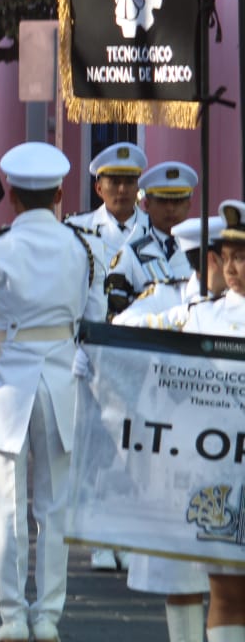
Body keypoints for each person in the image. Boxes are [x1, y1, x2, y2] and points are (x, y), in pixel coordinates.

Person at [0, 141, 105, 642]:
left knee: (3, 505)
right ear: (60, 192)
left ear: (9, 195)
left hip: (7, 382)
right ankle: (49, 616)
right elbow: (97, 323)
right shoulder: (85, 247)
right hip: (63, 380)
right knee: (54, 506)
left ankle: (13, 617)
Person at [112, 214, 219, 642]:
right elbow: (121, 329)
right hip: (180, 452)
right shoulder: (168, 298)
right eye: (222, 258)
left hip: (230, 450)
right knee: (180, 575)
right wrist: (178, 321)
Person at [68, 140, 148, 572]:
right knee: (96, 447)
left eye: (129, 181)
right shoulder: (79, 230)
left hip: (140, 358)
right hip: (92, 354)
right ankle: (100, 536)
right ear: (98, 186)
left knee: (137, 448)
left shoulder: (154, 233)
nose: (121, 188)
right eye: (113, 181)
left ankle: (129, 534)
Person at [168, 201, 245, 642]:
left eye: (242, 257)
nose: (231, 267)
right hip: (221, 470)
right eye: (228, 256)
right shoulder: (202, 316)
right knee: (227, 591)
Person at [104, 161, 196, 320]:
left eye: (177, 201)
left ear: (189, 205)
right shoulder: (130, 253)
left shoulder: (203, 251)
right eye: (162, 201)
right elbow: (115, 311)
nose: (170, 209)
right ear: (146, 205)